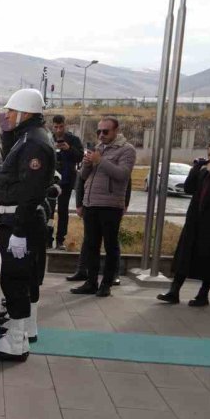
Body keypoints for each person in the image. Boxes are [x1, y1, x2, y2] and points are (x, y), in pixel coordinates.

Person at [0, 88, 55, 360]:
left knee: (15, 279)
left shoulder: (34, 143)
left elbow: (30, 190)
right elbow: (12, 164)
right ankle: (25, 329)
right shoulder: (28, 137)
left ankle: (17, 342)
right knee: (23, 277)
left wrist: (18, 232)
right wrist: (7, 132)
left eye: (11, 111)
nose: (7, 115)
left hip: (21, 221)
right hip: (18, 219)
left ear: (25, 112)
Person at [157, 140, 210, 307]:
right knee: (184, 254)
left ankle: (203, 294)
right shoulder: (207, 170)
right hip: (195, 218)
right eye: (209, 154)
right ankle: (174, 291)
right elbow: (189, 188)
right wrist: (196, 169)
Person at [69, 117, 135, 298]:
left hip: (110, 205)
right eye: (99, 131)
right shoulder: (98, 148)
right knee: (91, 244)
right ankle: (91, 282)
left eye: (105, 131)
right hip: (91, 204)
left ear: (116, 131)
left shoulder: (127, 150)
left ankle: (106, 284)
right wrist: (87, 163)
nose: (101, 135)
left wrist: (100, 161)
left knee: (110, 244)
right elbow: (83, 176)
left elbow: (122, 175)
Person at [50, 115, 84, 250]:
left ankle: (60, 240)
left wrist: (68, 148)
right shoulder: (48, 138)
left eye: (61, 127)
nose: (58, 130)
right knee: (50, 211)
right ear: (53, 126)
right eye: (56, 127)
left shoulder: (73, 140)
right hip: (51, 181)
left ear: (65, 125)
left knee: (63, 211)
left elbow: (80, 156)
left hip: (67, 180)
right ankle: (48, 238)